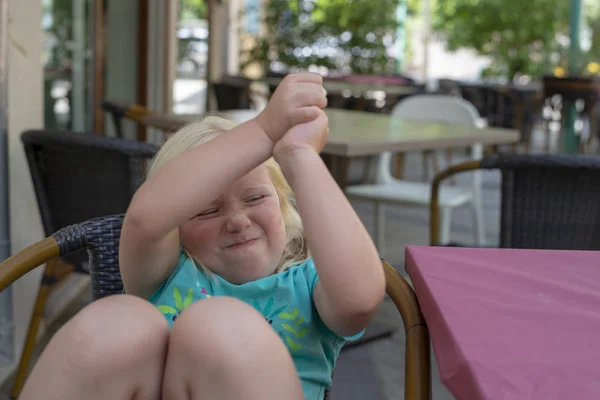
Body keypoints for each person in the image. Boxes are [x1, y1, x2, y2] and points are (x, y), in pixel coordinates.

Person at [19, 72, 385, 400]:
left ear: (283, 203)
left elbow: (359, 300)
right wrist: (263, 130)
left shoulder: (310, 283)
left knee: (220, 325)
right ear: (177, 227)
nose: (237, 221)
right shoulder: (165, 273)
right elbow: (147, 219)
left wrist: (298, 154)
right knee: (116, 322)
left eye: (256, 197)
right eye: (208, 210)